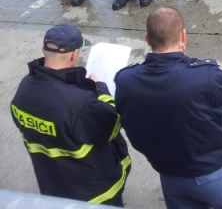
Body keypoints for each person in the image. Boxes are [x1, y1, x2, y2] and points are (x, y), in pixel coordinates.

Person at [115, 7, 222, 209]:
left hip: (170, 175)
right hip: (216, 174)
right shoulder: (204, 75)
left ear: (147, 38)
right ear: (183, 35)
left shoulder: (125, 80)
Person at [10, 24, 131, 206]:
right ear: (74, 54)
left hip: (54, 188)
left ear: (43, 49)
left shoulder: (23, 90)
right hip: (96, 193)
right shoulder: (80, 103)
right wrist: (100, 88)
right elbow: (112, 124)